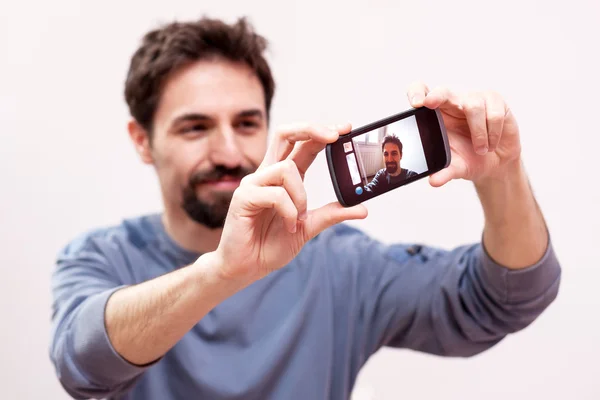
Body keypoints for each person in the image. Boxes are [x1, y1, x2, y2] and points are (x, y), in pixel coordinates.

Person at [49, 16, 561, 400]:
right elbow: (83, 364)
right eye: (195, 127)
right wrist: (222, 274)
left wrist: (502, 175)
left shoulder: (339, 264)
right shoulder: (101, 256)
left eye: (247, 123)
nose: (228, 151)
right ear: (143, 140)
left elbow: (507, 299)